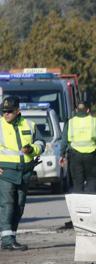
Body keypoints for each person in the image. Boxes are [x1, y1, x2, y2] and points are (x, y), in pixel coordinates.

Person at [0, 96, 46, 251]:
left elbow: (41, 143)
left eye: (9, 111)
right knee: (7, 204)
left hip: (24, 172)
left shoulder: (29, 125)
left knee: (19, 206)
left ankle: (11, 237)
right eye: (4, 111)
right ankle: (6, 240)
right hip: (5, 172)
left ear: (17, 110)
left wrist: (32, 149)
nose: (6, 114)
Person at [59, 101, 96, 193]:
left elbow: (64, 140)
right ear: (88, 110)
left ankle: (80, 205)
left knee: (77, 182)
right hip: (91, 155)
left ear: (76, 110)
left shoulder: (70, 122)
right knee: (92, 180)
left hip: (75, 156)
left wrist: (62, 154)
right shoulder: (93, 121)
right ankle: (91, 203)